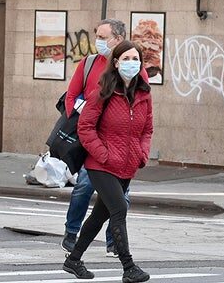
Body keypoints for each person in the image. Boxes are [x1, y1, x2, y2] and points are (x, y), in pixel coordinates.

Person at [62, 40, 153, 282]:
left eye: (136, 59)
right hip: (101, 164)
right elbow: (85, 127)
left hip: (128, 165)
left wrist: (142, 154)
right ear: (116, 63)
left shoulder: (144, 94)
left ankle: (73, 260)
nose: (131, 64)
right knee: (120, 208)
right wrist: (103, 154)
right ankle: (128, 267)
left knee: (99, 215)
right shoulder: (102, 92)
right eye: (126, 59)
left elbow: (148, 130)